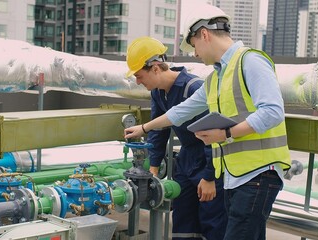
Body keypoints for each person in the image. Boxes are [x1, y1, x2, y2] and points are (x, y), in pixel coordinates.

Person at [124, 5, 291, 240]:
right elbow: (181, 111)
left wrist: (226, 134)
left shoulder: (250, 61)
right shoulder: (215, 79)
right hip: (236, 177)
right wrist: (144, 128)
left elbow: (273, 112)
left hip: (259, 174)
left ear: (204, 34)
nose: (194, 54)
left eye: (194, 46)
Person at [125, 36, 227, 240]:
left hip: (208, 158)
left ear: (155, 68)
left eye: (139, 75)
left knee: (212, 221)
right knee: (183, 220)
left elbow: (213, 135)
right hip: (187, 160)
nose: (137, 81)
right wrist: (153, 169)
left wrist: (209, 177)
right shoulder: (158, 93)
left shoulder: (193, 88)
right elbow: (159, 131)